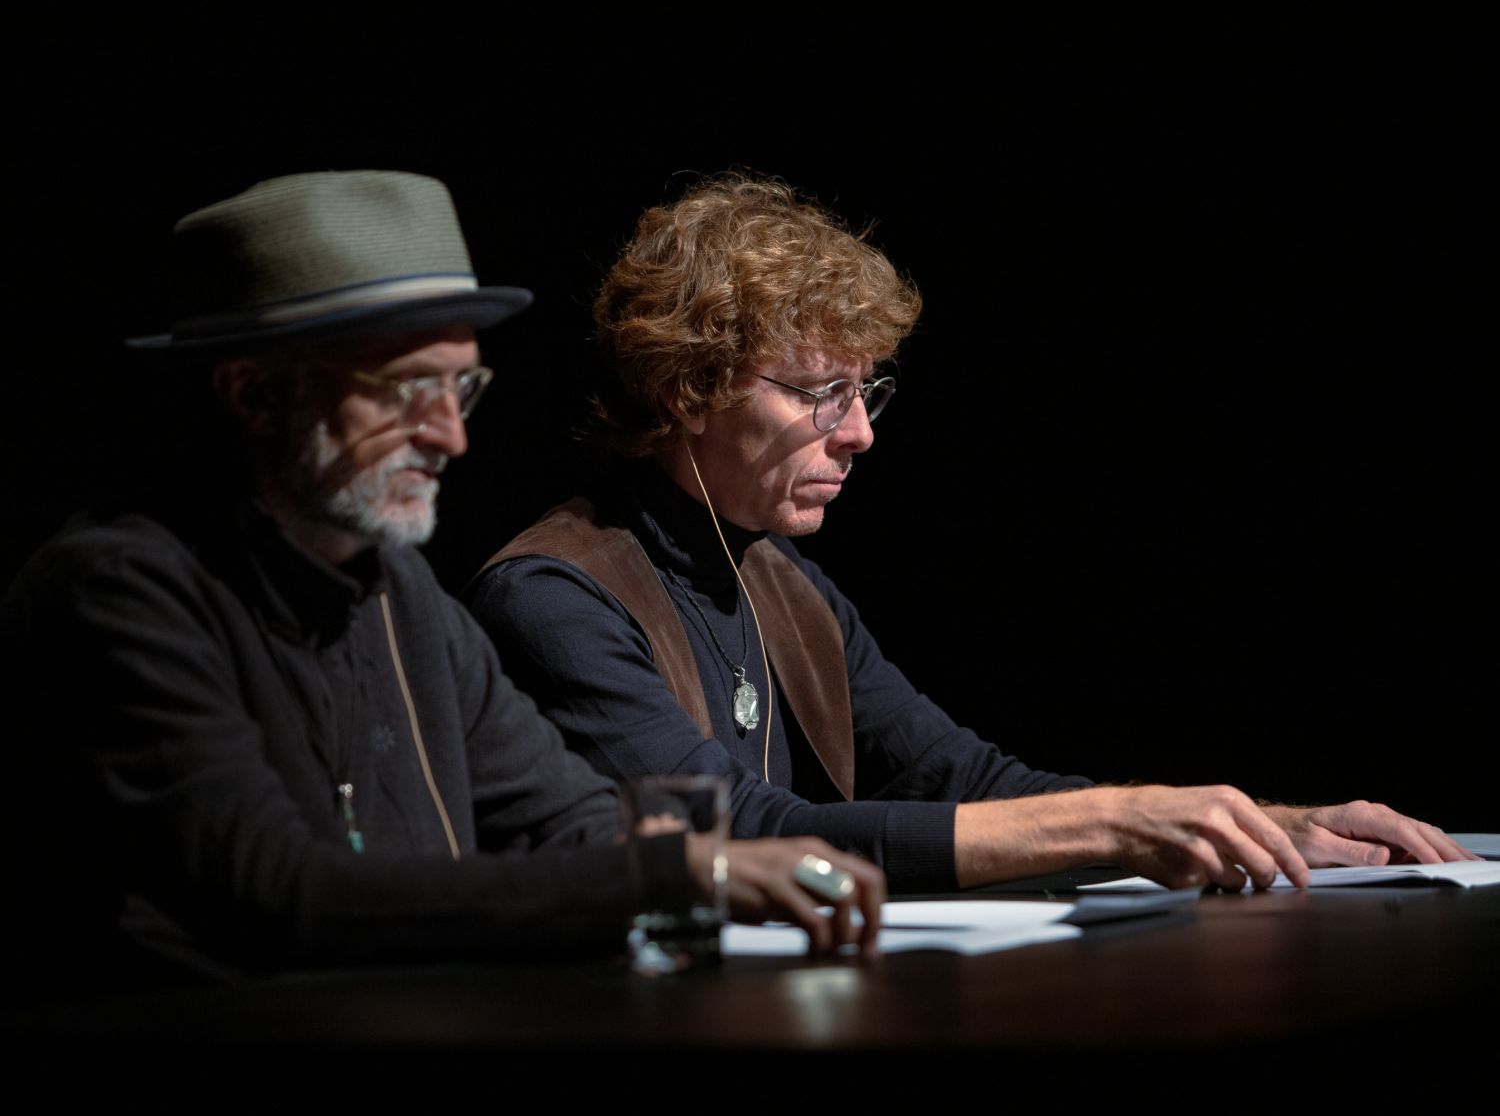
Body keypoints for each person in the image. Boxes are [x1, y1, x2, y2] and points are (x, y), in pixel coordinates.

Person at [465, 173, 1476, 895]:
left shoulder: (785, 584)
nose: (859, 433)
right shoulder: (556, 595)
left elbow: (964, 779)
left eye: (865, 393)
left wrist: (1259, 825)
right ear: (689, 389)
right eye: (820, 394)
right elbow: (744, 831)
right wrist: (1115, 822)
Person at [0, 171, 880, 994]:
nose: (451, 437)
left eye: (460, 388)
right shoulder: (119, 593)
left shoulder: (400, 594)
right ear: (255, 396)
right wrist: (674, 874)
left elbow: (568, 816)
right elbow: (279, 893)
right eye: (405, 390)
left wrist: (713, 861)